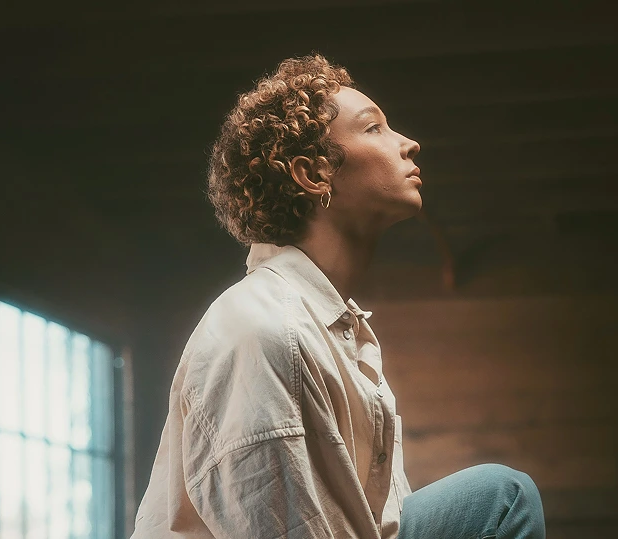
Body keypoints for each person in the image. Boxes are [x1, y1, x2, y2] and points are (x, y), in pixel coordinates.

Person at [131, 54, 545, 539]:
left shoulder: (331, 326)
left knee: (496, 498)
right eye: (374, 129)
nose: (410, 144)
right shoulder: (263, 331)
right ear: (313, 174)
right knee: (501, 492)